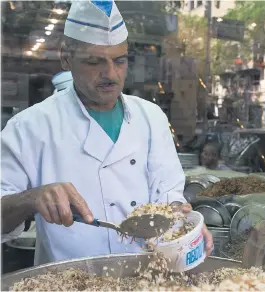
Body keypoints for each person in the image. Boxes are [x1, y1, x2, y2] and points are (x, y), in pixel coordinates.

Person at [1, 0, 212, 266]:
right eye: (94, 62)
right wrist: (29, 199)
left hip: (146, 276)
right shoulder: (29, 127)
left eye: (119, 61)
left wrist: (183, 225)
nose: (111, 74)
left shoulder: (151, 117)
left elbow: (169, 195)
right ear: (66, 57)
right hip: (69, 281)